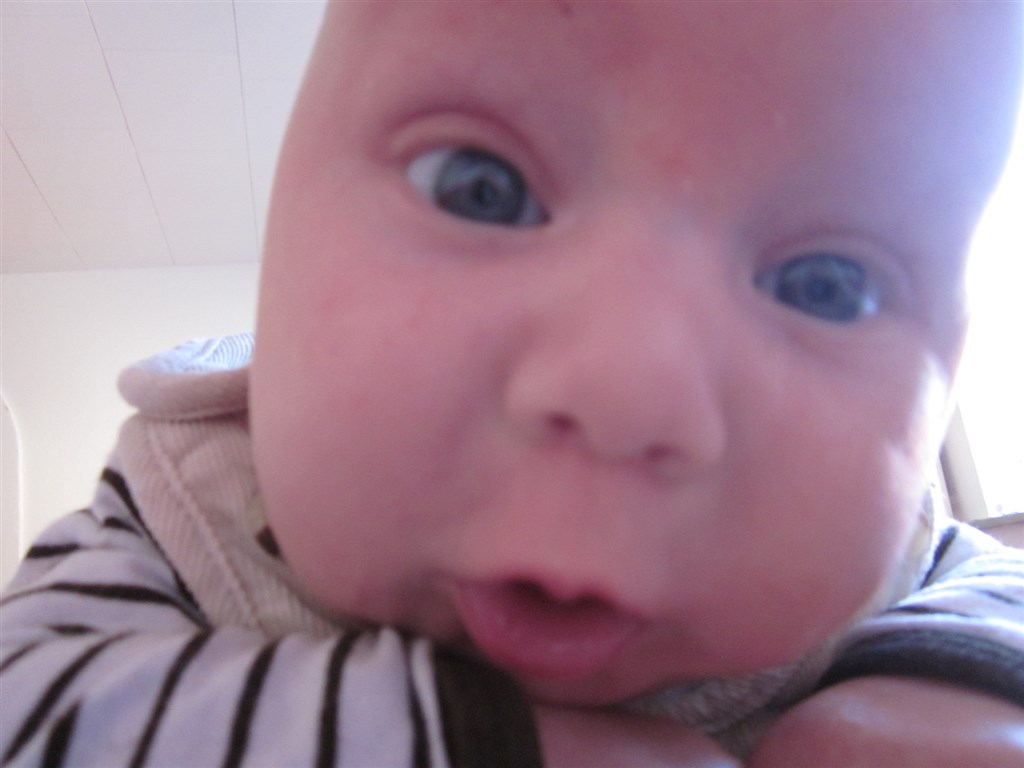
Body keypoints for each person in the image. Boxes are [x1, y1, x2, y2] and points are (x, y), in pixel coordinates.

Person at [2, 2, 1023, 766]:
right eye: (478, 189)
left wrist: (950, 693)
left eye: (827, 286)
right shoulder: (190, 499)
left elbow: (994, 581)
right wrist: (485, 745)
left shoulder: (899, 558)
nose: (628, 392)